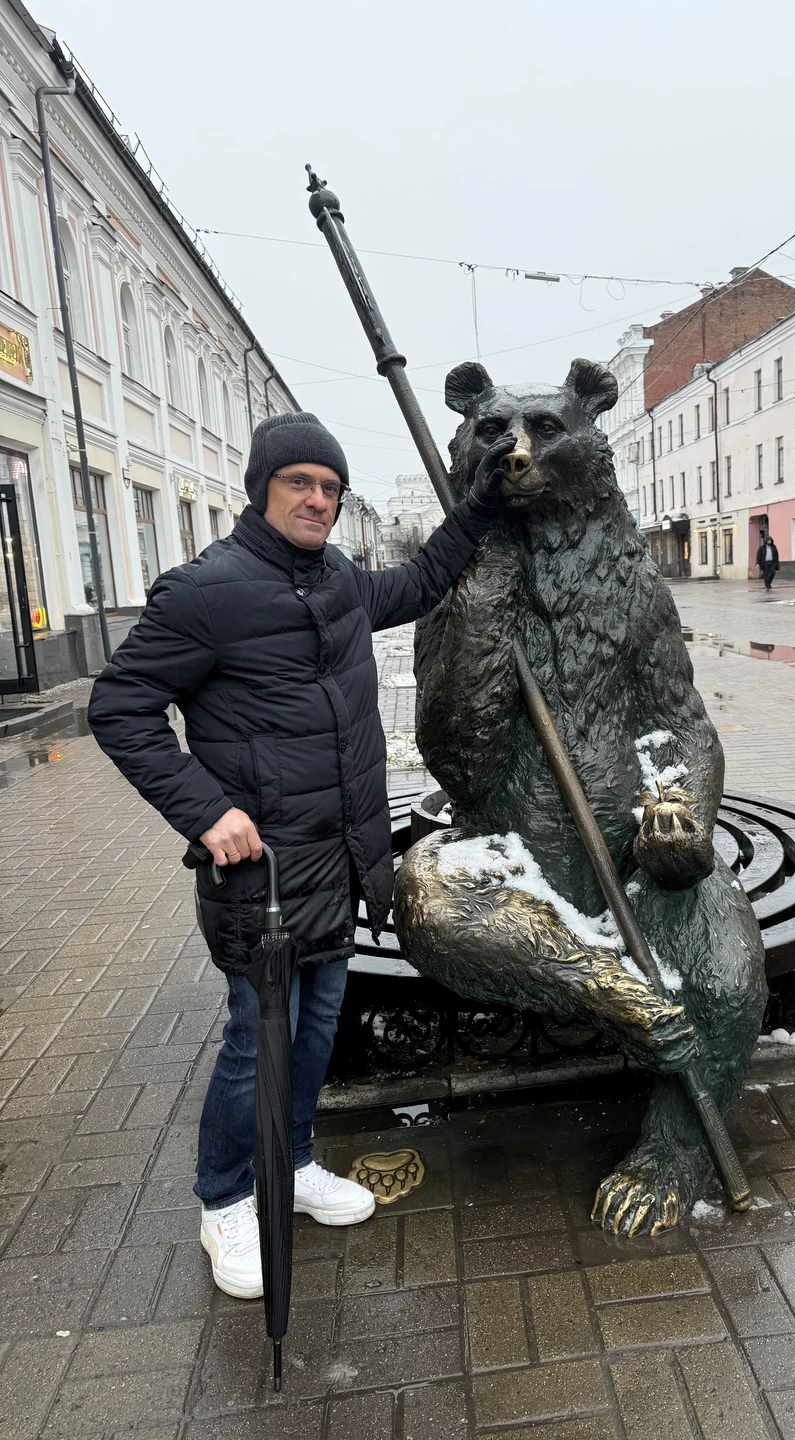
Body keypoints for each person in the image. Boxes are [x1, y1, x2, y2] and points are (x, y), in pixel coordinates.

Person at [88, 411, 511, 1298]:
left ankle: (296, 1163)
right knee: (255, 1042)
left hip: (342, 862)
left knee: (314, 1031)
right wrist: (206, 812)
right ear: (262, 488)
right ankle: (224, 1200)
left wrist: (480, 503)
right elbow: (119, 707)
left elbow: (424, 579)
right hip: (264, 875)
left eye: (330, 487)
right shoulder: (203, 593)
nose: (318, 499)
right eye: (300, 484)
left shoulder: (340, 582)